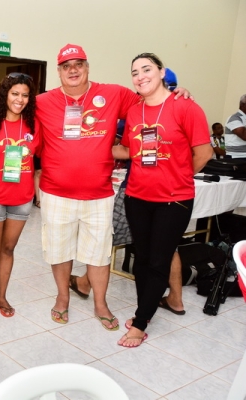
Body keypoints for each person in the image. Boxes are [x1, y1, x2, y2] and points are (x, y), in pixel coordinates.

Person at [36, 44, 191, 330]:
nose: (73, 70)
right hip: (56, 192)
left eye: (78, 64)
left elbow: (151, 99)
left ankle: (100, 303)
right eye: (66, 66)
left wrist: (176, 94)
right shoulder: (44, 101)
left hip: (99, 194)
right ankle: (62, 298)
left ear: (87, 67)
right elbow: (10, 109)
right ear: (58, 71)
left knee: (99, 253)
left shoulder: (113, 93)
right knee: (59, 250)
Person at [112, 53, 212, 347]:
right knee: (142, 259)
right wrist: (91, 145)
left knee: (158, 261)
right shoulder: (135, 111)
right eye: (135, 72)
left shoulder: (186, 107)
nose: (140, 76)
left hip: (174, 200)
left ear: (161, 72)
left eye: (146, 69)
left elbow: (204, 153)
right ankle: (144, 311)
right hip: (137, 196)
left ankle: (140, 323)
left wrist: (178, 175)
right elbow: (128, 150)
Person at [0, 73, 40, 318]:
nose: (19, 99)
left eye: (25, 95)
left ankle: (1, 296)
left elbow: (42, 159)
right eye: (15, 93)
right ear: (5, 94)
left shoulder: (34, 125)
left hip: (21, 199)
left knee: (8, 249)